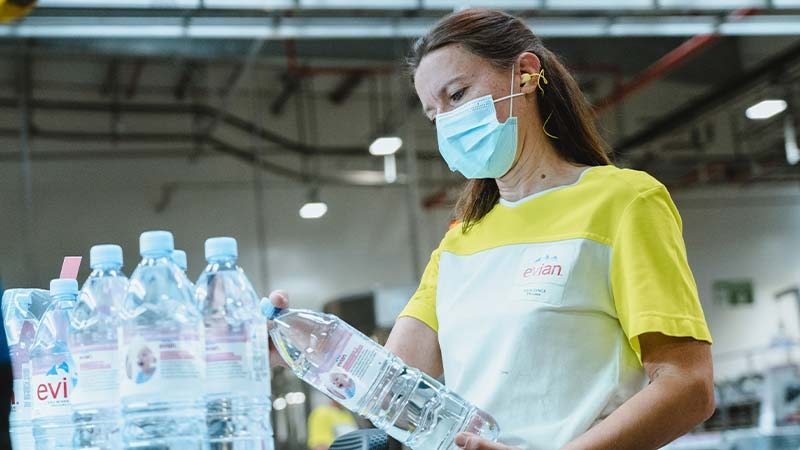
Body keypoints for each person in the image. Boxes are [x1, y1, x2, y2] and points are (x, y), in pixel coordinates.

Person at [269, 8, 714, 450]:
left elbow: (688, 385)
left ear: (525, 74)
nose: (447, 121)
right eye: (433, 113)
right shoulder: (462, 240)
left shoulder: (623, 202)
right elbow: (386, 385)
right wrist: (297, 347)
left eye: (457, 95)